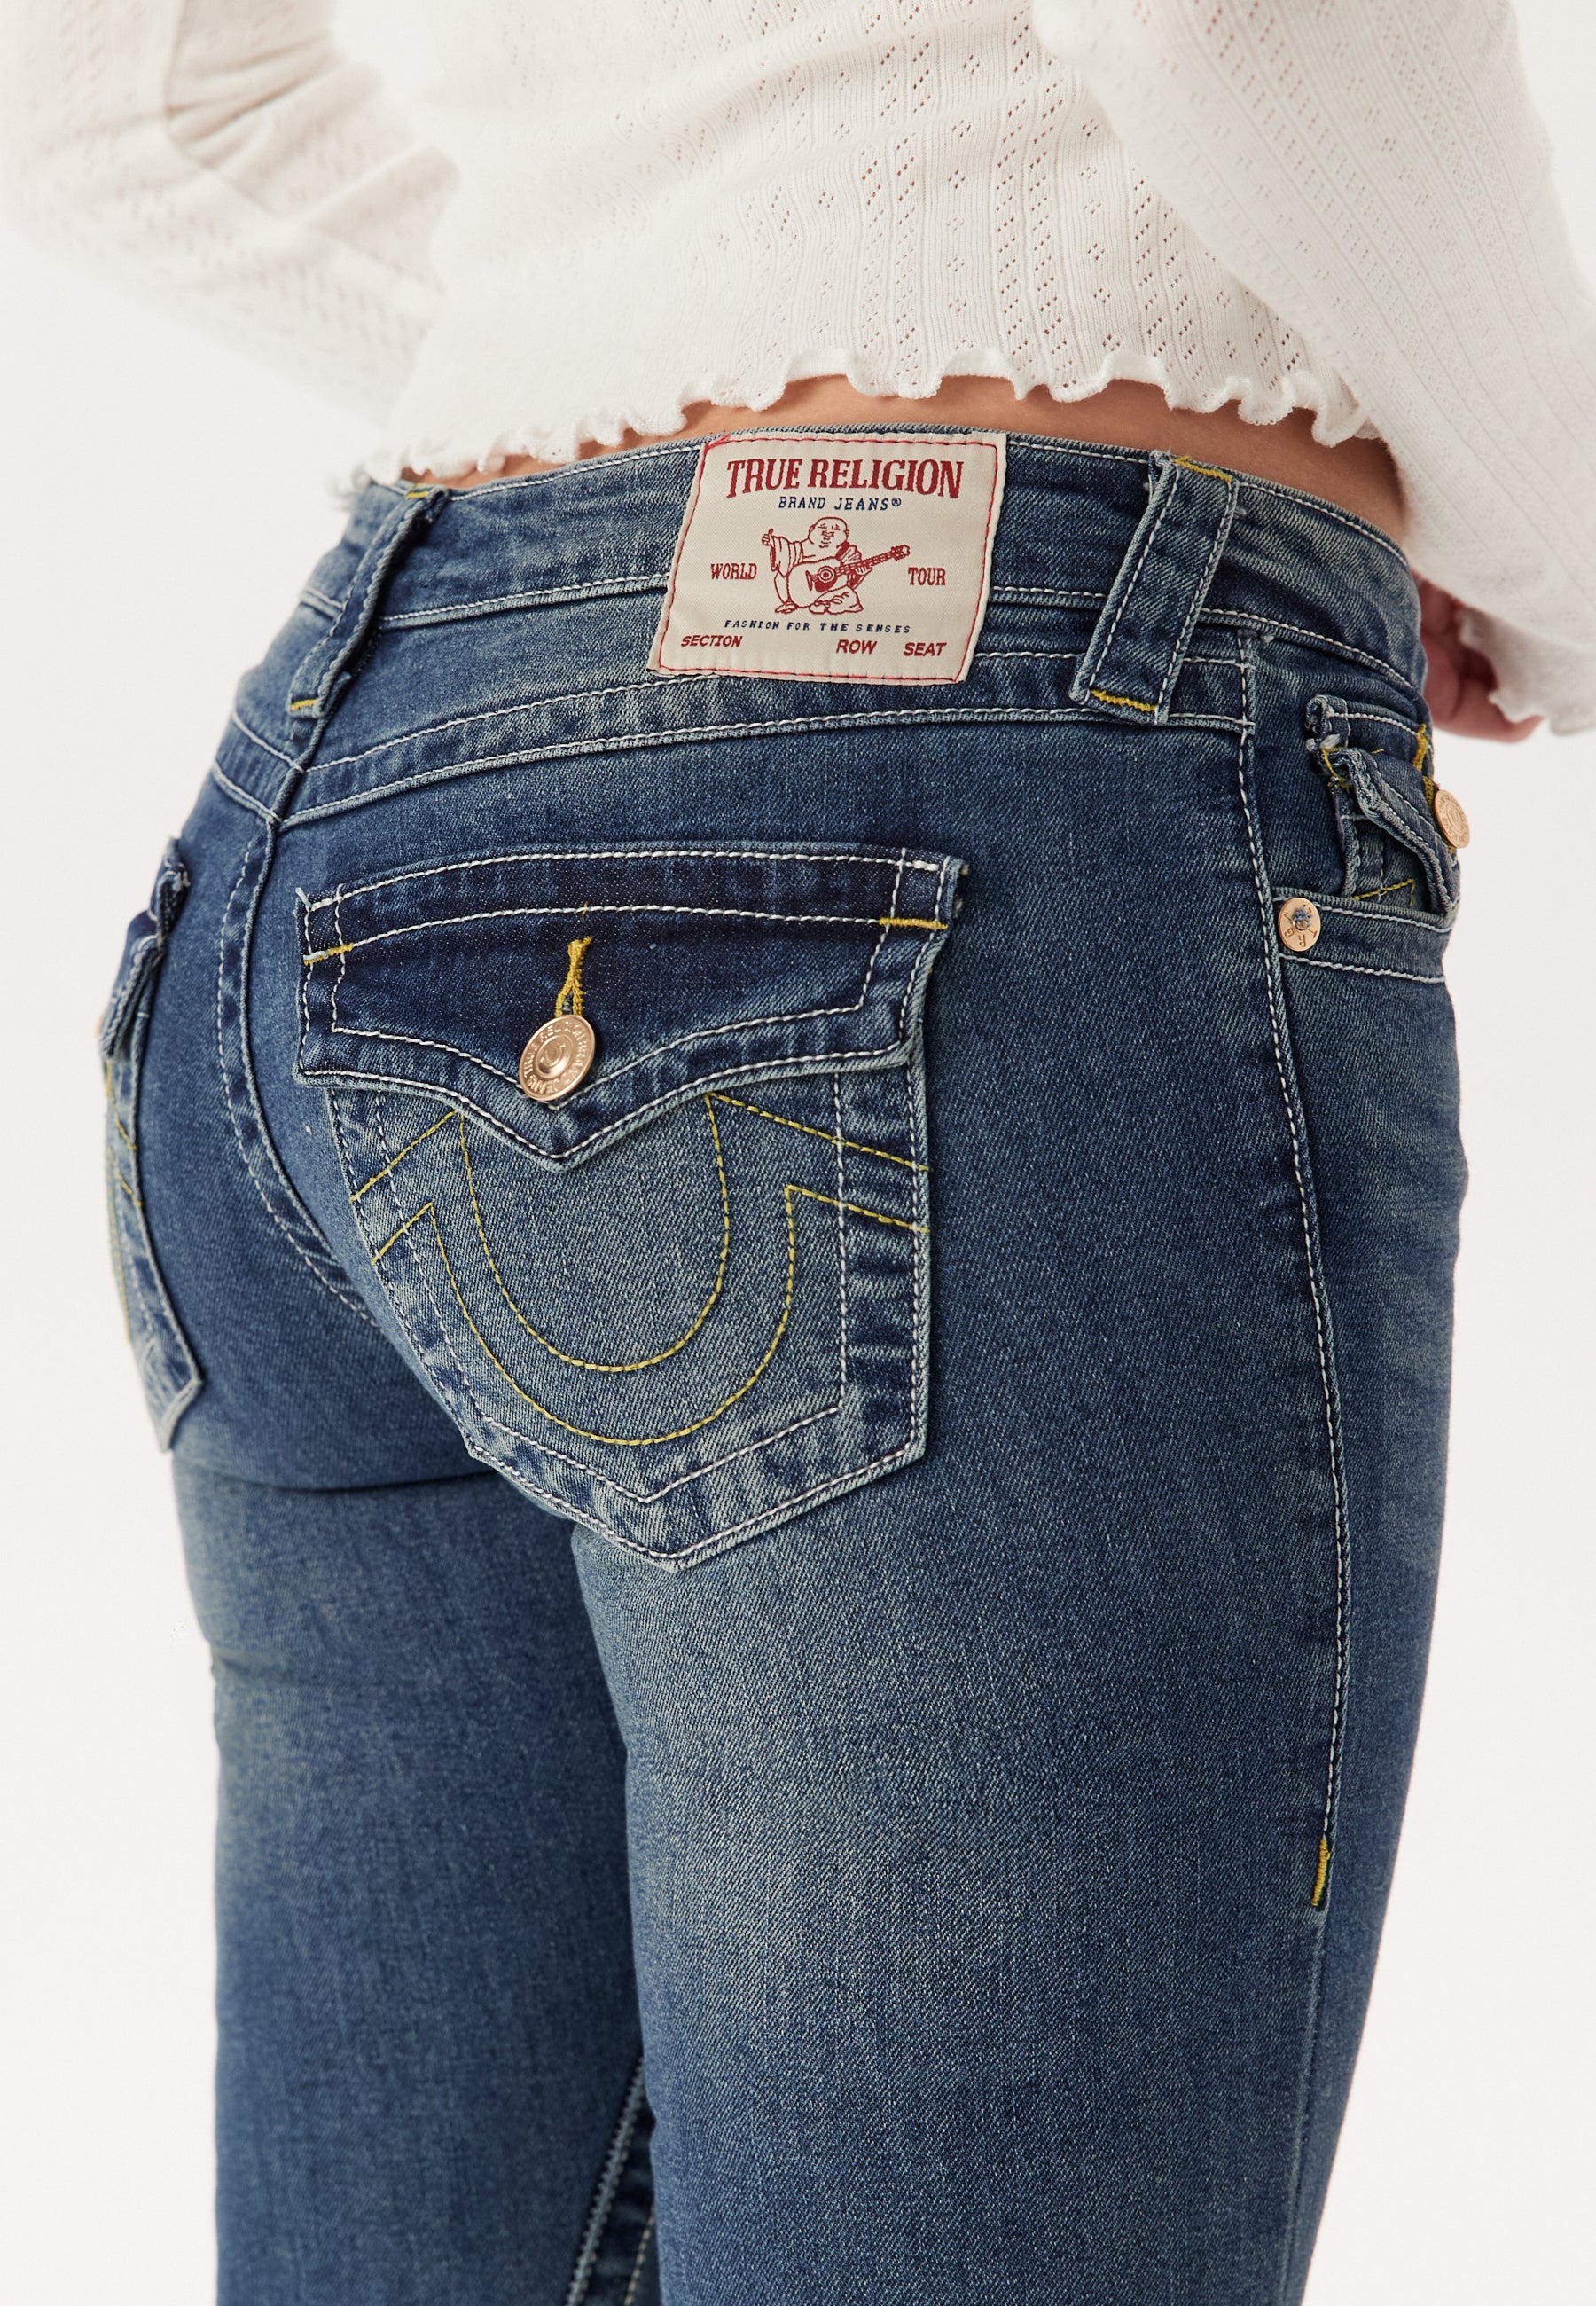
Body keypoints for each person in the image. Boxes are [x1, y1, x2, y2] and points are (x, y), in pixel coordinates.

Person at [9, 5, 1593, 2302]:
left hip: (352, 794)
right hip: (941, 816)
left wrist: (650, 377)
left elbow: (115, 97)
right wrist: (1554, 539)